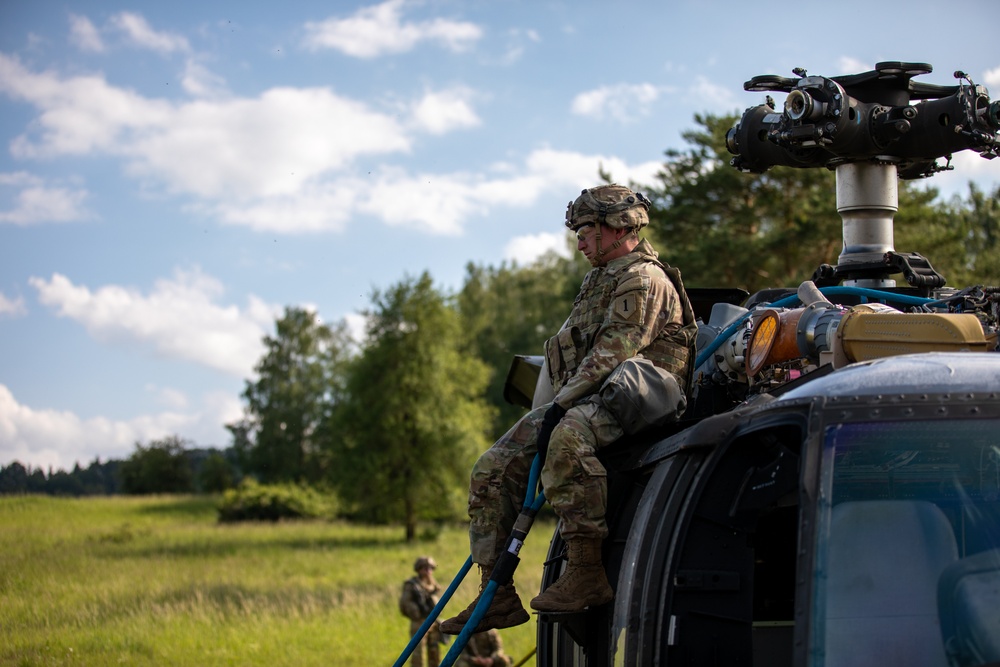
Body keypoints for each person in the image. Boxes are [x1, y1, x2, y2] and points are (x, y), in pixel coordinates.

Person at [441, 184, 697, 635]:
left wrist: (559, 407)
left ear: (617, 228)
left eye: (585, 231)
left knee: (565, 439)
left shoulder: (644, 278)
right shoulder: (599, 281)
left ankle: (586, 572)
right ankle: (495, 594)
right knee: (492, 466)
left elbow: (616, 351)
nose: (579, 242)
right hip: (592, 396)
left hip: (637, 398)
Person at [400, 555, 445, 667]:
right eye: (425, 568)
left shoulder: (433, 585)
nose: (428, 571)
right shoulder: (412, 585)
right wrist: (415, 613)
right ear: (419, 569)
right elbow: (405, 603)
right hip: (419, 622)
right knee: (418, 653)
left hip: (433, 622)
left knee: (434, 651)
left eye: (430, 568)